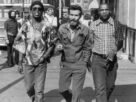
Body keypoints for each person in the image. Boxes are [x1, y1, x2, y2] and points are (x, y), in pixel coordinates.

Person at [15, 1, 56, 102]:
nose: (37, 11)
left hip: (41, 62)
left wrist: (44, 56)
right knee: (29, 88)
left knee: (39, 91)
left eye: (39, 9)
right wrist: (20, 63)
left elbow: (52, 43)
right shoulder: (25, 25)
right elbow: (21, 44)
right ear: (30, 11)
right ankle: (34, 99)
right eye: (34, 9)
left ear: (42, 11)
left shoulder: (47, 25)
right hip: (27, 62)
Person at [56, 5, 93, 102]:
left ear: (80, 16)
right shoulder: (62, 28)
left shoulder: (85, 29)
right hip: (66, 64)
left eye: (76, 15)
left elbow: (88, 47)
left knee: (76, 94)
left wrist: (84, 62)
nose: (73, 17)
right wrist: (58, 45)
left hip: (79, 64)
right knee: (62, 89)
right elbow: (58, 41)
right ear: (68, 15)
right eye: (71, 15)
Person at [89, 3, 123, 102]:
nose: (104, 12)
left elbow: (120, 41)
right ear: (98, 12)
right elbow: (90, 42)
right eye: (101, 10)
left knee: (110, 86)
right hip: (97, 59)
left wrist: (113, 51)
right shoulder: (93, 24)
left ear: (110, 11)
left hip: (112, 60)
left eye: (106, 9)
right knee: (100, 89)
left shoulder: (117, 24)